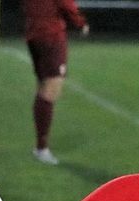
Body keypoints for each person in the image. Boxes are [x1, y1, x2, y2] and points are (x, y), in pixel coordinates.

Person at [23, 0, 90, 165]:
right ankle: (42, 148)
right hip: (50, 35)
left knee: (43, 87)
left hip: (34, 33)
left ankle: (40, 145)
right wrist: (80, 23)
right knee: (51, 89)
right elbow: (66, 4)